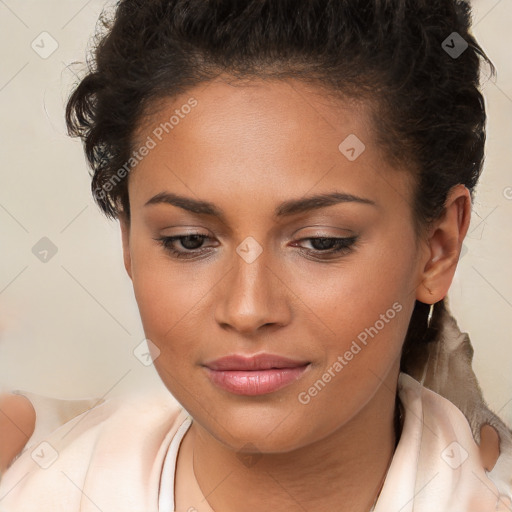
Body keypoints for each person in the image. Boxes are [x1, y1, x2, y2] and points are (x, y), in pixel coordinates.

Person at [0, 0, 511, 510]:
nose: (247, 309)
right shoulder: (32, 476)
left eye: (321, 242)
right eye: (189, 241)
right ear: (129, 240)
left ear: (438, 249)